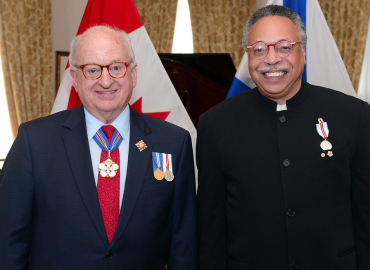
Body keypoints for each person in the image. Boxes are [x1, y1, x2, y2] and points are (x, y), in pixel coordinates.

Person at [0, 25, 198, 270]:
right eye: (92, 70)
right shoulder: (34, 142)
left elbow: (185, 246)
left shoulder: (173, 142)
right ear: (75, 78)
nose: (106, 81)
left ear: (133, 74)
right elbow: (8, 244)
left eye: (116, 67)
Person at [197, 5, 370, 270]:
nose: (271, 59)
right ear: (248, 57)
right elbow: (210, 229)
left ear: (303, 54)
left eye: (284, 47)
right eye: (259, 49)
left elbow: (365, 215)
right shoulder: (215, 124)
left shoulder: (353, 115)